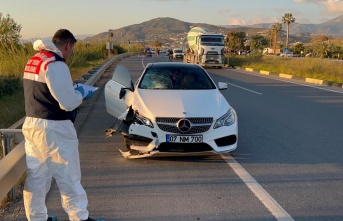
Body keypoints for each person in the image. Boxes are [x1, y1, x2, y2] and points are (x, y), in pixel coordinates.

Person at [22, 29, 102, 221]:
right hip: (55, 128)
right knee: (69, 175)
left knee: (37, 176)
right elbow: (67, 103)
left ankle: (37, 217)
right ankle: (79, 217)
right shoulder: (55, 64)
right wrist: (80, 93)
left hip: (33, 125)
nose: (70, 54)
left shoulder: (35, 60)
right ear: (68, 45)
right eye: (71, 50)